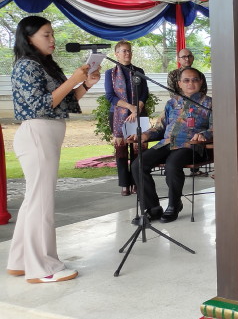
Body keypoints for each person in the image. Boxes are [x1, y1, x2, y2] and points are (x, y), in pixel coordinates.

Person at [7, 16, 101, 283]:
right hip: (37, 134)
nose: (52, 40)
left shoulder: (43, 64)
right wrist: (73, 79)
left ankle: (20, 261)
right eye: (46, 35)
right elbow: (40, 105)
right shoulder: (26, 66)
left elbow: (63, 102)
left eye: (52, 34)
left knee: (34, 201)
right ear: (29, 38)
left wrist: (85, 84)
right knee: (41, 203)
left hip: (45, 134)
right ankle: (43, 268)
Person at [130, 67, 212, 223]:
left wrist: (204, 135)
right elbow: (160, 127)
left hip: (190, 145)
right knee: (138, 164)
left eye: (195, 80)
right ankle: (153, 208)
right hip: (166, 143)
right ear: (179, 83)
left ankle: (174, 205)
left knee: (172, 164)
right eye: (186, 80)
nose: (190, 83)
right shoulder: (172, 103)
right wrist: (146, 134)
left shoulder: (209, 103)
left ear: (201, 82)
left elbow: (216, 127)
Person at [104, 40, 148, 196]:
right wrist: (130, 107)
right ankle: (124, 184)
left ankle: (136, 182)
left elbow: (145, 93)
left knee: (138, 150)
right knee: (121, 150)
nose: (127, 53)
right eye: (124, 51)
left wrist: (137, 109)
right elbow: (110, 96)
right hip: (118, 115)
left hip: (139, 113)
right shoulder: (110, 73)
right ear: (116, 54)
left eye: (129, 50)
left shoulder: (139, 71)